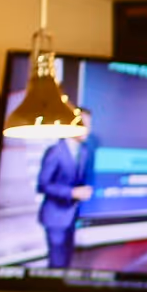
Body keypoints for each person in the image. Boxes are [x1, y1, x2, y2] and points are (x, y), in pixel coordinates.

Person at [37, 109, 94, 269]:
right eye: (84, 124)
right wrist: (72, 192)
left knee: (67, 263)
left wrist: (83, 192)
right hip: (55, 218)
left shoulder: (83, 151)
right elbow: (43, 185)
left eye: (89, 125)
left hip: (72, 218)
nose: (88, 129)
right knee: (57, 266)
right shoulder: (55, 151)